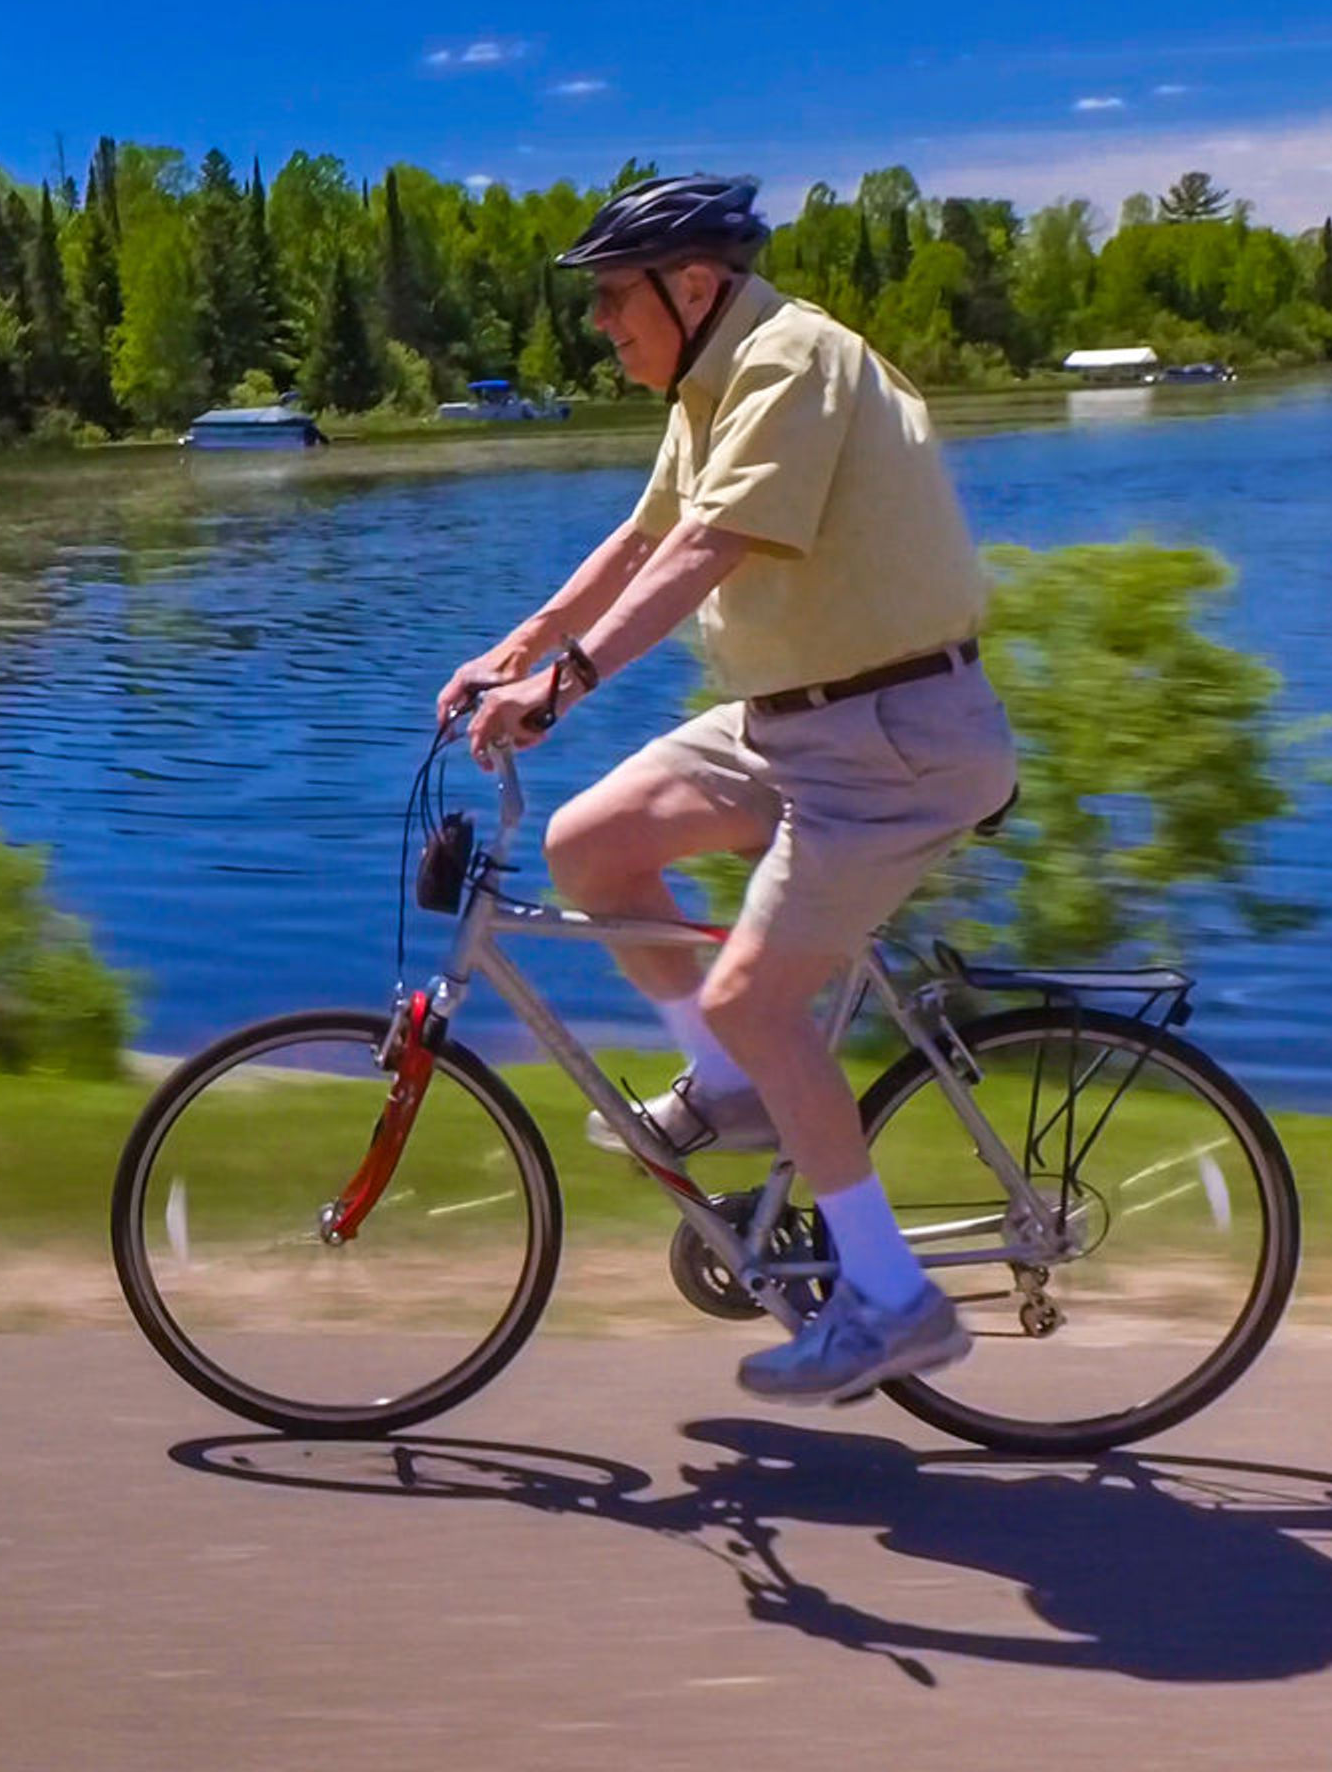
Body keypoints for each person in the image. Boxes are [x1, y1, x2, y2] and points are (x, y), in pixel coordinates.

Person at [434, 175, 1017, 1403]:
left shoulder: (791, 360)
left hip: (895, 736)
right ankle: (738, 1089)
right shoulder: (712, 381)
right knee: (592, 846)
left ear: (691, 285)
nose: (600, 322)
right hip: (791, 721)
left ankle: (892, 1297)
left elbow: (715, 545)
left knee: (759, 993)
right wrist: (517, 645)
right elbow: (649, 537)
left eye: (610, 297)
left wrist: (563, 688)